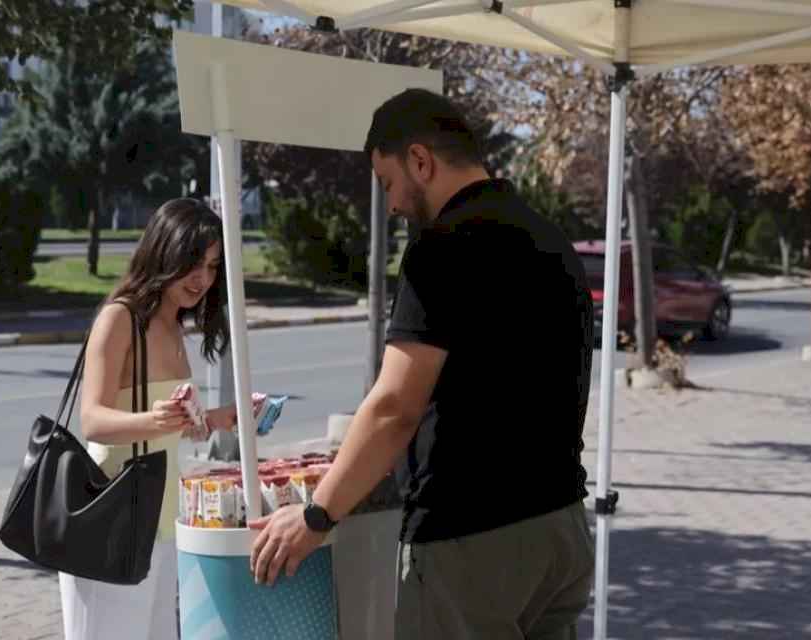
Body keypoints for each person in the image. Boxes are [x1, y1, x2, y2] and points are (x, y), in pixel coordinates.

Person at [249, 88, 597, 639]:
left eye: (388, 182)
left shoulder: (443, 247)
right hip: (561, 530)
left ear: (420, 160)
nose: (391, 204)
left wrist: (316, 516)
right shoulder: (551, 239)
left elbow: (393, 407)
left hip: (475, 542)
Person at [60, 198, 258, 640]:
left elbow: (170, 422)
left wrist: (221, 419)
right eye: (194, 263)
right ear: (164, 251)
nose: (203, 279)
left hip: (166, 517)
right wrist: (158, 420)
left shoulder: (174, 325)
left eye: (211, 266)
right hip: (110, 515)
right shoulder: (120, 317)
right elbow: (92, 420)